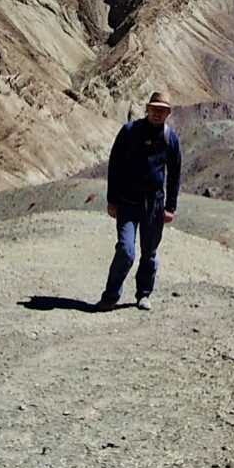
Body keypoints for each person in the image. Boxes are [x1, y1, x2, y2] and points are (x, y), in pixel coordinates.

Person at [97, 92, 181, 309]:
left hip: (154, 204)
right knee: (126, 250)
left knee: (149, 253)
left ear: (168, 113)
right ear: (147, 108)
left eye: (162, 110)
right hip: (128, 201)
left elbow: (175, 173)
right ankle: (110, 296)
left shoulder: (170, 138)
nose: (157, 113)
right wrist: (112, 200)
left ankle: (143, 294)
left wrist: (170, 206)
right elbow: (114, 166)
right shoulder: (130, 131)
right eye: (154, 108)